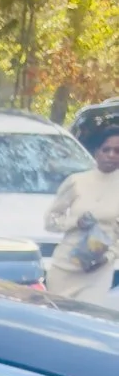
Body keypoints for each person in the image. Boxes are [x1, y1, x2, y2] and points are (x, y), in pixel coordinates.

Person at [42, 131, 119, 308]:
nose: (111, 155)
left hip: (98, 269)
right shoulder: (76, 181)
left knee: (86, 317)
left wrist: (107, 257)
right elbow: (50, 221)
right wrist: (75, 222)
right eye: (106, 150)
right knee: (57, 315)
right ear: (96, 152)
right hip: (65, 265)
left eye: (117, 151)